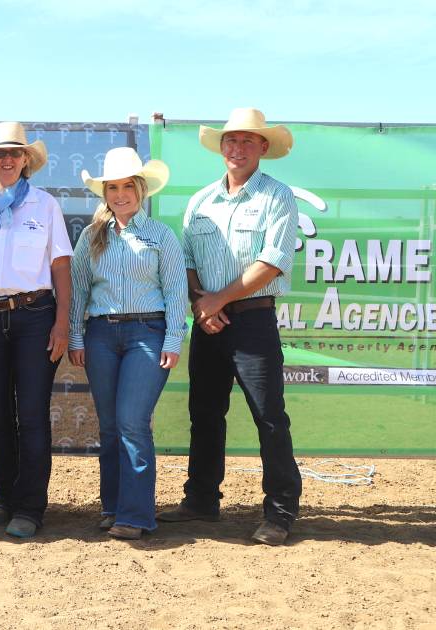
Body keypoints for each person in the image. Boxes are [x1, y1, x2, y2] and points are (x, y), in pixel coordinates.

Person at [156, 108, 303, 546]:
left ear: (263, 148)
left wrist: (217, 300)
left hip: (253, 320)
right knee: (204, 413)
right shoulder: (200, 201)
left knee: (269, 416)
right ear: (221, 148)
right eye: (230, 141)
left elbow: (273, 261)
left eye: (246, 141)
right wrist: (204, 304)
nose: (236, 148)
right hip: (208, 321)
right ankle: (201, 500)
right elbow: (184, 262)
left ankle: (280, 512)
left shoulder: (277, 196)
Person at [67, 147, 186, 540]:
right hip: (101, 335)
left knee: (133, 422)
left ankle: (135, 515)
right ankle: (113, 506)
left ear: (141, 189)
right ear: (105, 192)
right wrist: (75, 336)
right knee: (111, 426)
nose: (120, 194)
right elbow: (80, 289)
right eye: (113, 187)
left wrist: (172, 339)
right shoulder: (91, 236)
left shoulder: (161, 235)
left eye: (127, 186)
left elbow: (175, 291)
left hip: (147, 335)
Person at [0, 122, 72, 538]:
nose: (6, 159)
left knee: (31, 413)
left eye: (14, 153)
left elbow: (61, 264)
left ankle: (30, 506)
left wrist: (62, 321)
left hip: (35, 315)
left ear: (27, 160)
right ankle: (5, 496)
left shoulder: (45, 205)